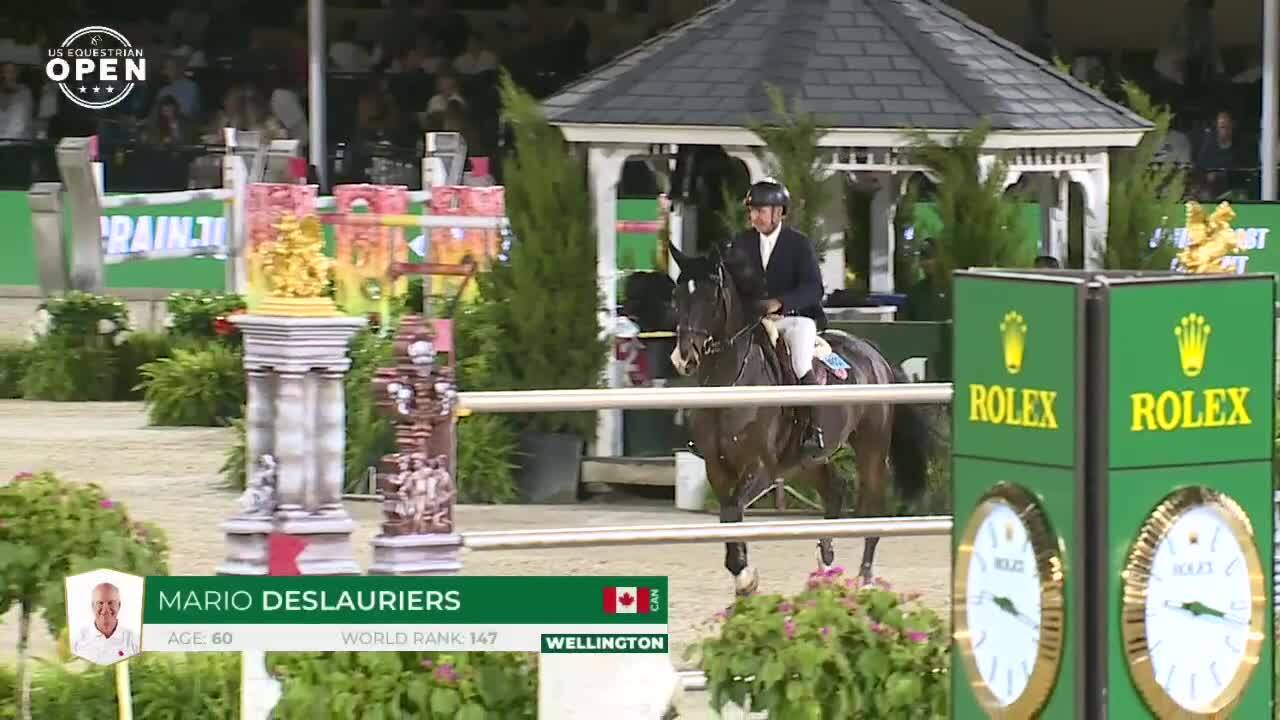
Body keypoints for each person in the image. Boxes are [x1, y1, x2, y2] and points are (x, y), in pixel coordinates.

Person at [730, 178, 828, 459]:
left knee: (799, 363)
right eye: (752, 211)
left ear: (779, 212)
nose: (754, 217)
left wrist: (780, 302)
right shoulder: (741, 243)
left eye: (761, 210)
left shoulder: (798, 244)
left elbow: (814, 288)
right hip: (753, 321)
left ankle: (813, 428)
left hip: (793, 319)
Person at [72, 582, 140, 665]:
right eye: (100, 603)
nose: (105, 610)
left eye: (111, 603)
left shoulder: (134, 641)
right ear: (92, 606)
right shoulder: (77, 641)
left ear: (119, 605)